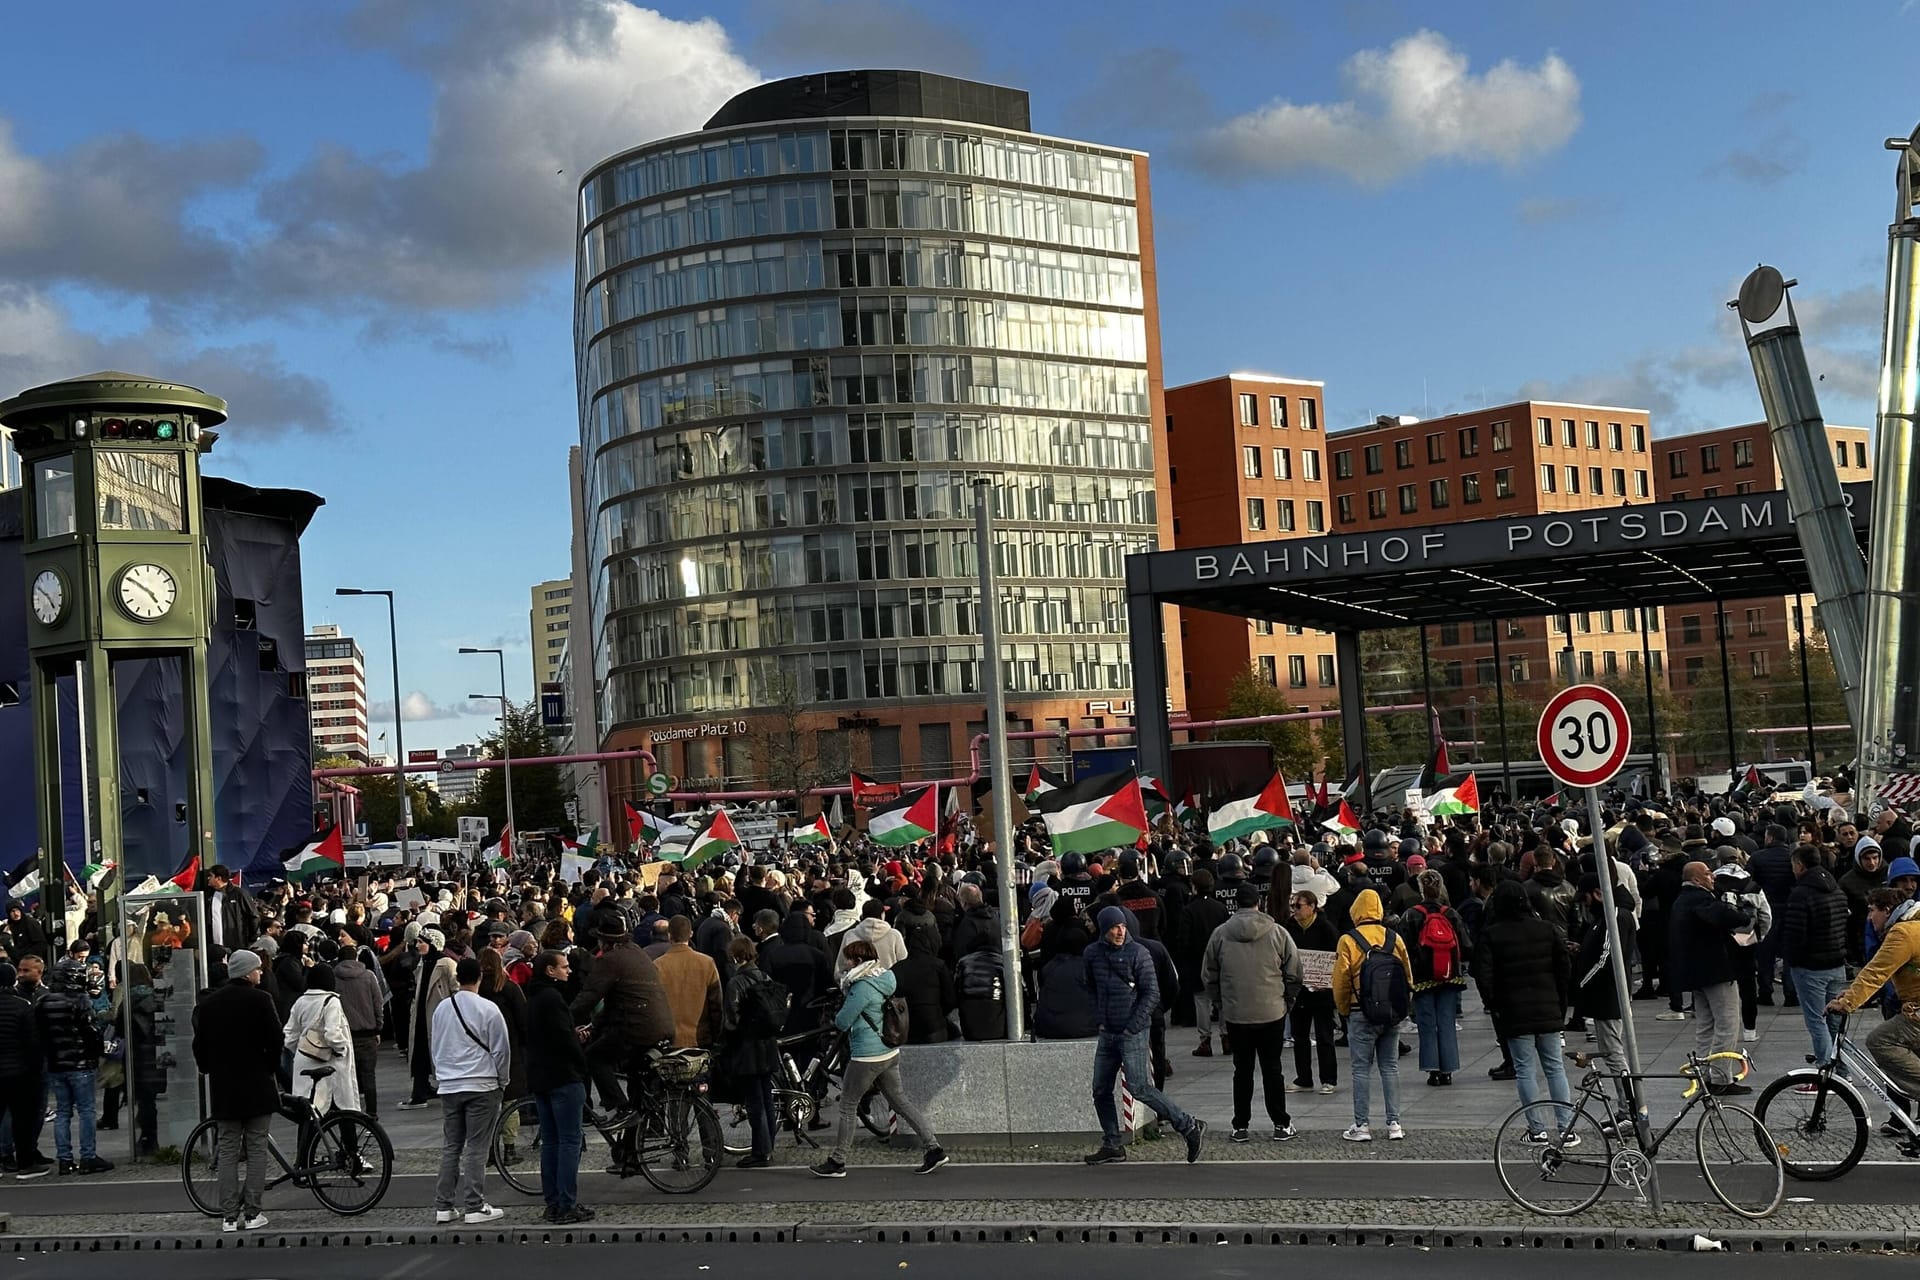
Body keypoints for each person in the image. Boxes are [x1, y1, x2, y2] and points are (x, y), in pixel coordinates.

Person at [809, 939, 946, 1178]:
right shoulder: (885, 978)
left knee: (848, 1106)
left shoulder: (862, 987)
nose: (846, 963)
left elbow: (842, 1021)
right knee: (901, 1103)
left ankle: (837, 1161)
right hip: (888, 1051)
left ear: (858, 961)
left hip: (866, 1056)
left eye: (849, 959)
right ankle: (933, 1148)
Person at [1082, 907, 1206, 1165]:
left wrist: (1132, 1026)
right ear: (1104, 929)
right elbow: (1091, 986)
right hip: (1108, 1031)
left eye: (1123, 926)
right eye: (1114, 927)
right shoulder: (1092, 954)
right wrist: (1101, 1020)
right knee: (1100, 1089)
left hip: (1132, 1032)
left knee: (1140, 1087)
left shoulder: (1139, 953)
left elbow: (1152, 994)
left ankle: (1188, 1125)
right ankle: (1112, 1143)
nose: (1120, 931)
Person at [1202, 883, 1304, 1142]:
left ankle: (1240, 1125)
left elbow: (1209, 974)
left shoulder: (1221, 934)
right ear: (1259, 902)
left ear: (1234, 904)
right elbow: (1294, 972)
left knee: (1242, 1070)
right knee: (1273, 1069)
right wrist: (1286, 1001)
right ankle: (1281, 1123)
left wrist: (1222, 1002)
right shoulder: (1278, 933)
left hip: (1237, 1013)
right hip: (1272, 1010)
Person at [191, 951, 281, 1231]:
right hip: (257, 1084)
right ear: (246, 973)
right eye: (257, 969)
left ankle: (229, 1216)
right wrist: (269, 1067)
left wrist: (208, 1067)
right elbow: (276, 1039)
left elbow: (199, 1046)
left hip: (225, 1086)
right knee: (257, 1148)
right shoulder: (261, 1000)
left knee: (227, 1150)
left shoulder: (209, 1005)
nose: (261, 973)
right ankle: (253, 1213)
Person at [1477, 879, 1574, 1137]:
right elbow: (1564, 969)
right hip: (1548, 1006)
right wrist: (1560, 1001)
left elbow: (1484, 976)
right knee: (1555, 1068)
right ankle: (1566, 1127)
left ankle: (1537, 1128)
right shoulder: (1547, 929)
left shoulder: (1492, 934)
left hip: (1513, 1010)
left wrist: (1494, 1005)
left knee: (1524, 1070)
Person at [1828, 889, 1920, 1154]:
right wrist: (1851, 993)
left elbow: (1876, 972)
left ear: (1888, 910)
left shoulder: (1903, 933)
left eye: (1872, 910)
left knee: (1880, 1040)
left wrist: (1846, 1004)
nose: (1869, 917)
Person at [430, 956, 511, 1224]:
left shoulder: (442, 1009)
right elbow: (501, 1049)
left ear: (456, 979)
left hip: (450, 1084)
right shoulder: (488, 1008)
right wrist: (503, 1080)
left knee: (452, 1145)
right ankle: (474, 1206)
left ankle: (444, 1205)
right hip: (482, 1083)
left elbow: (436, 1044)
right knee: (477, 1147)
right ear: (479, 978)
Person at [571, 912, 675, 1120]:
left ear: (604, 941)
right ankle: (634, 1138)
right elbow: (614, 1003)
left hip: (636, 1027)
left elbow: (588, 997)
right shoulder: (636, 952)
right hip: (661, 1025)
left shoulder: (611, 960)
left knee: (594, 1057)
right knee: (635, 1077)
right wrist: (593, 1026)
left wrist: (563, 1019)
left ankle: (621, 1107)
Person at [1332, 888, 1412, 1142]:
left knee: (1360, 1070)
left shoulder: (1348, 940)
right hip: (1390, 1013)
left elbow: (1341, 982)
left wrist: (1344, 1009)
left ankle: (1362, 1125)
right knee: (1390, 1067)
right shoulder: (1393, 938)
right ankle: (1395, 1124)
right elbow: (1408, 977)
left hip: (1360, 1012)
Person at [1667, 859, 1754, 1092]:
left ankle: (1704, 1073)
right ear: (1696, 879)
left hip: (1695, 974)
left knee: (1705, 1025)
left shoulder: (1681, 901)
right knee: (1727, 1023)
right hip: (1715, 970)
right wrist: (1742, 913)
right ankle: (1720, 1079)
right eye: (1707, 873)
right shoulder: (1700, 899)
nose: (1712, 877)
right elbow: (1731, 918)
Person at [525, 949, 593, 1223]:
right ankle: (567, 1203)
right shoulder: (553, 998)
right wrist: (581, 1060)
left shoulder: (535, 997)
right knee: (569, 1141)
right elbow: (563, 1040)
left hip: (541, 1077)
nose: (569, 970)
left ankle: (553, 1201)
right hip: (563, 1076)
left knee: (551, 1142)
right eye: (564, 967)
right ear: (550, 971)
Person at [34, 955, 112, 1175]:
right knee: (86, 1111)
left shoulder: (44, 1002)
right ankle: (88, 1157)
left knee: (63, 1112)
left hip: (56, 1063)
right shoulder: (80, 1000)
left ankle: (64, 1160)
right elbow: (91, 1032)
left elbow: (39, 1033)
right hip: (80, 1062)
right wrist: (97, 1053)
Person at [1781, 846, 1850, 1067]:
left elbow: (1795, 933)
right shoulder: (1836, 889)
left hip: (1810, 966)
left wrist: (1789, 959)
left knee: (1816, 1020)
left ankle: (1825, 1069)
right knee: (1835, 1020)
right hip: (1836, 961)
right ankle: (1841, 1068)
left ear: (1800, 865)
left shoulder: (1801, 894)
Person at [718, 936, 782, 1168]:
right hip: (768, 1045)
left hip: (747, 1048)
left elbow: (731, 1019)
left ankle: (760, 1151)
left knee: (755, 1101)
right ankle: (769, 1145)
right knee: (766, 1098)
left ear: (735, 956)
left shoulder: (737, 982)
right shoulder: (765, 977)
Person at [1400, 870, 1468, 1087]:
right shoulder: (1451, 914)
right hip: (1449, 976)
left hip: (1422, 978)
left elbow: (1403, 947)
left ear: (1421, 889)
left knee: (1427, 1024)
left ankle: (1433, 1070)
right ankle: (1448, 1070)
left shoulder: (1411, 914)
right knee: (1447, 1022)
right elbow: (1466, 945)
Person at [1280, 889, 1339, 1095]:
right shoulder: (1288, 928)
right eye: (1293, 906)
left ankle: (1329, 1079)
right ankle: (1304, 1078)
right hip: (1299, 991)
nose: (1294, 910)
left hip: (1322, 991)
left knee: (1324, 1036)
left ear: (1312, 907)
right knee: (1300, 1036)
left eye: (1299, 905)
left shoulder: (1326, 928)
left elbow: (1334, 957)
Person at [282, 963, 360, 1113]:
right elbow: (332, 1034)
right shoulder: (332, 1001)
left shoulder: (300, 1001)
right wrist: (341, 1049)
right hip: (331, 1064)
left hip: (304, 1061)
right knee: (344, 1110)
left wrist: (301, 1049)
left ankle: (307, 1137)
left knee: (309, 1113)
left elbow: (289, 1035)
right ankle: (349, 1137)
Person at [0, 960, 50, 1179]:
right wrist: (36, 1070)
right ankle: (25, 1164)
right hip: (19, 1071)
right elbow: (33, 1042)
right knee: (22, 1118)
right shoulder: (22, 1006)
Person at [402, 928, 458, 1109]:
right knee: (420, 1052)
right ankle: (421, 1089)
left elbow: (456, 990)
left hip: (439, 1018)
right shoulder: (422, 963)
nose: (417, 945)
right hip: (421, 1017)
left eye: (421, 942)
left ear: (433, 944)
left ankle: (422, 1093)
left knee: (436, 1054)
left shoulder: (447, 964)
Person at [654, 915, 723, 1049]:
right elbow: (716, 1004)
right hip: (700, 1038)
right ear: (691, 934)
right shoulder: (707, 963)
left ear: (669, 936)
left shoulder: (658, 965)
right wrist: (716, 1035)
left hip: (670, 1040)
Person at [333, 939, 384, 1117]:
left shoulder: (334, 977)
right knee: (369, 1076)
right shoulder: (368, 976)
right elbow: (378, 1003)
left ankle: (350, 1113)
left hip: (344, 1034)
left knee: (347, 1078)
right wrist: (378, 1027)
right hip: (367, 1033)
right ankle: (372, 1114)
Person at [204, 864, 260, 955]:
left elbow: (253, 916)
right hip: (214, 948)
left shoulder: (239, 894)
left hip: (236, 946)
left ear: (218, 878)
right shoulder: (208, 895)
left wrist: (250, 939)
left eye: (210, 876)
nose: (208, 879)